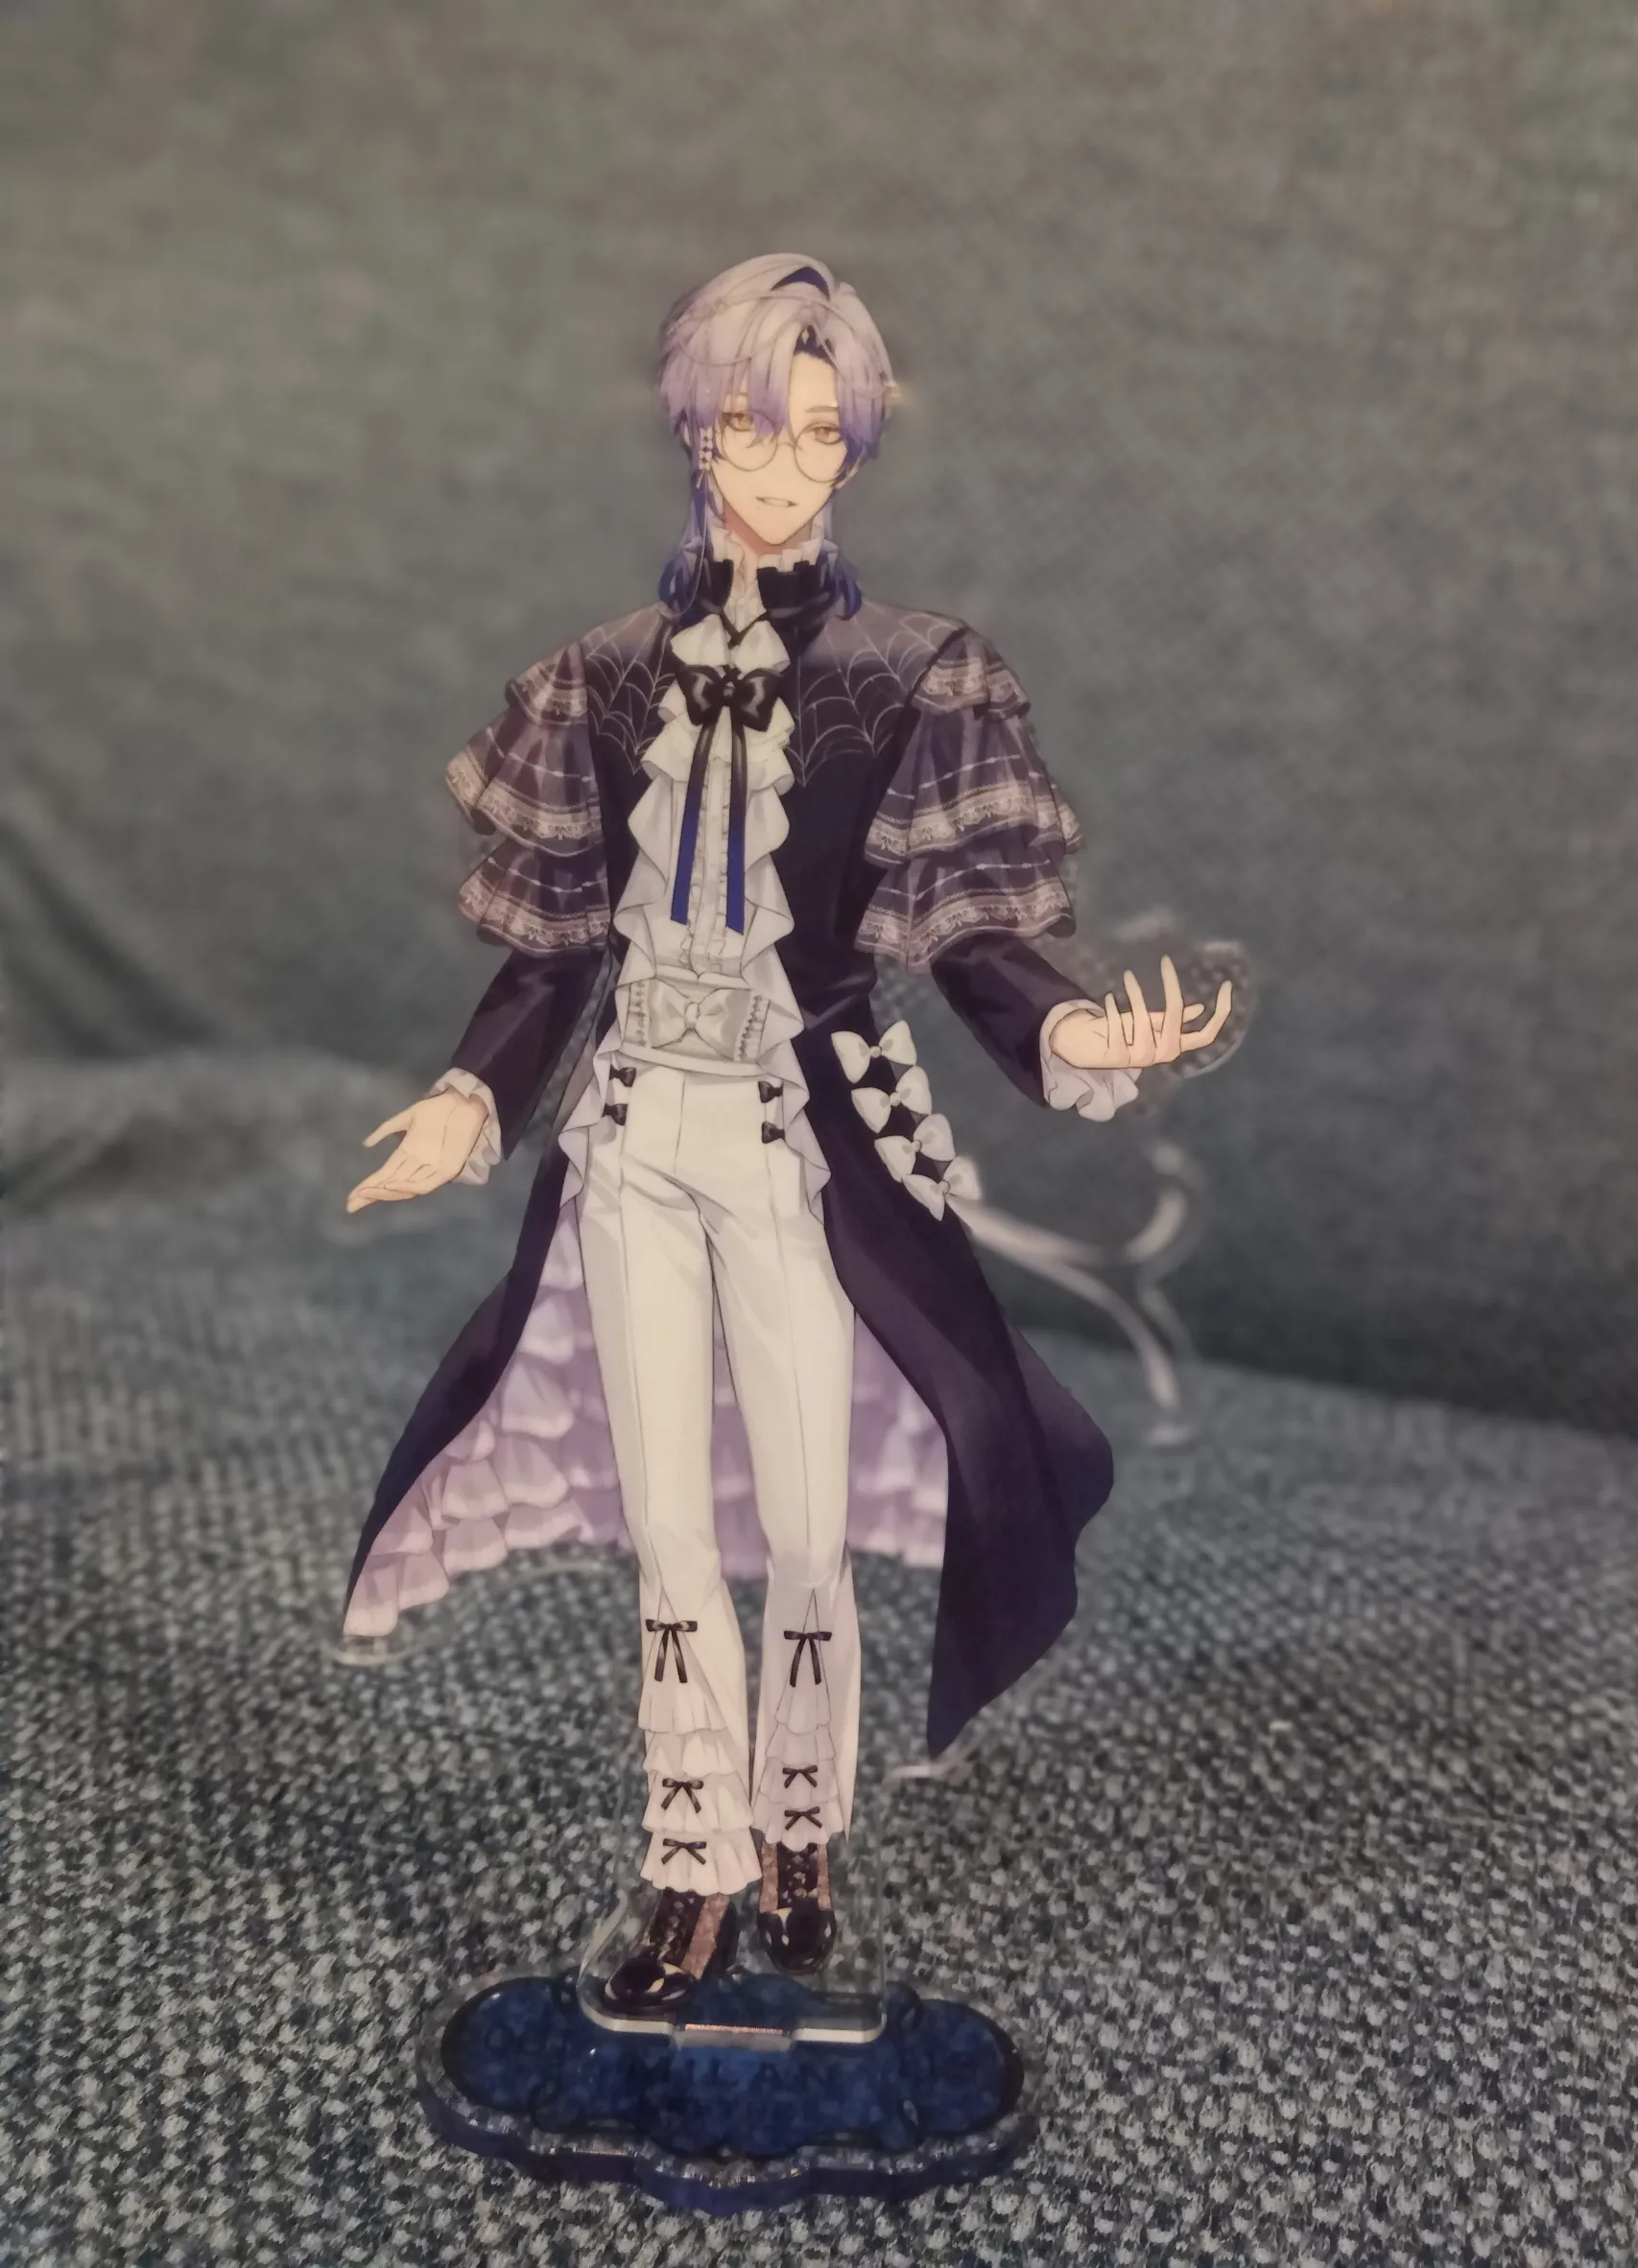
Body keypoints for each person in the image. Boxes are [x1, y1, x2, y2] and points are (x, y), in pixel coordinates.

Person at [340, 252, 1232, 2015]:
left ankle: (800, 1825)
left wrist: (1071, 1031)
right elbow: (551, 953)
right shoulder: (597, 681)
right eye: (758, 425)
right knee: (671, 1533)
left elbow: (971, 937)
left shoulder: (912, 676)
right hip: (629, 1141)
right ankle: (690, 1855)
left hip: (796, 1141)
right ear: (698, 430)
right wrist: (466, 1099)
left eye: (825, 432)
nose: (791, 462)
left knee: (809, 1534)